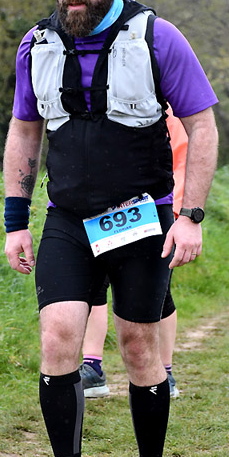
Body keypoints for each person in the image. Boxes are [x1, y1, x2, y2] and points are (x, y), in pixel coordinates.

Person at [3, 0, 219, 457]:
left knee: (138, 346)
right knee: (57, 338)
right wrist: (16, 221)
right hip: (68, 219)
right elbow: (25, 131)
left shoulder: (158, 38)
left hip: (140, 218)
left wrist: (190, 217)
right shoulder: (36, 46)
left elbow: (202, 126)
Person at [80, 113, 188, 399]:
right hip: (101, 212)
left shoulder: (170, 116)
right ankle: (92, 368)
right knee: (94, 288)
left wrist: (177, 214)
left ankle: (165, 372)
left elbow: (181, 164)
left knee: (157, 295)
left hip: (153, 213)